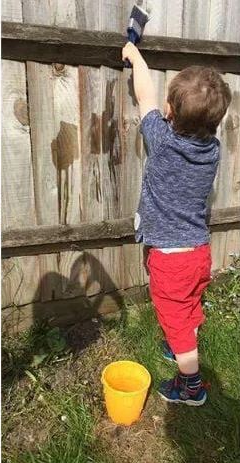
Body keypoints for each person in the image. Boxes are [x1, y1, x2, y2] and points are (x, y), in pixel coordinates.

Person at [122, 42, 231, 405]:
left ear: (170, 111)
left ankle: (191, 386)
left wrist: (136, 57)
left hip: (172, 258)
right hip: (197, 250)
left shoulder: (163, 141)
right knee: (189, 305)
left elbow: (144, 95)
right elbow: (158, 103)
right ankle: (181, 344)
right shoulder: (212, 150)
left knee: (177, 321)